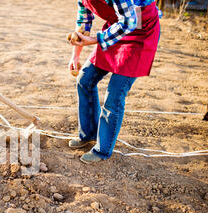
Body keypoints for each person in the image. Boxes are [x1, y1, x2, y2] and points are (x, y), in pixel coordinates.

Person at [68, 0, 161, 163]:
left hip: (141, 32)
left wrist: (96, 39)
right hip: (116, 29)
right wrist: (75, 56)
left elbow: (129, 22)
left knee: (115, 94)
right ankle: (89, 134)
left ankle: (102, 150)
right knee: (85, 79)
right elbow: (83, 22)